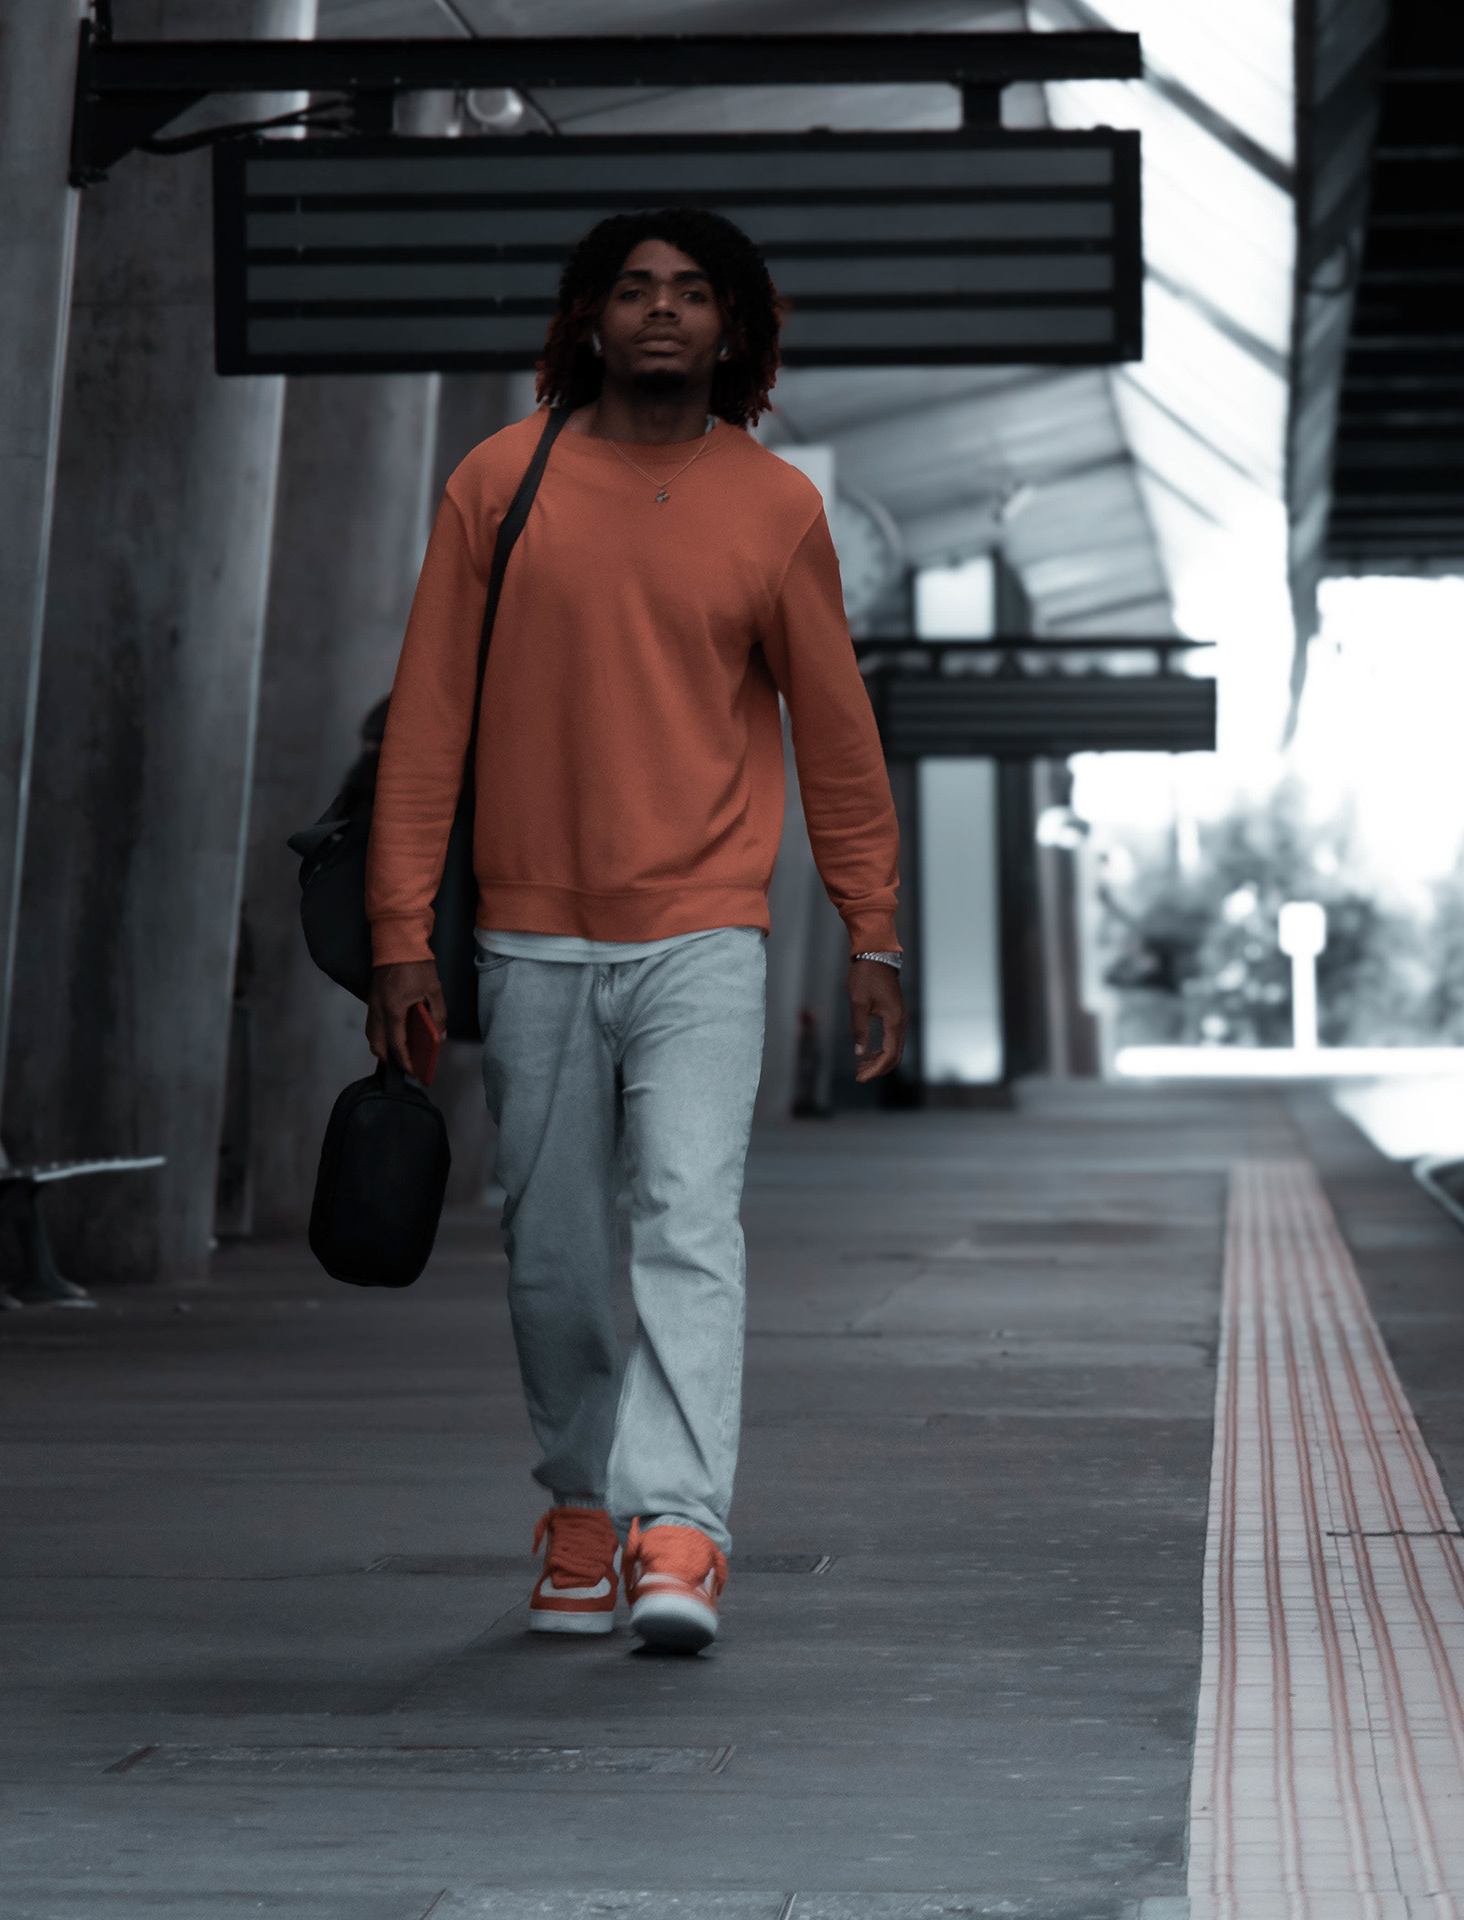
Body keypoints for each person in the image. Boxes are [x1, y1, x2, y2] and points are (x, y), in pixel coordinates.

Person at [364, 208, 904, 1654]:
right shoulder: (500, 482)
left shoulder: (775, 508)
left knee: (687, 1224)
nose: (662, 310)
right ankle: (579, 1508)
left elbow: (837, 735)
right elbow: (429, 721)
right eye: (634, 289)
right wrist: (399, 928)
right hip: (529, 937)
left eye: (693, 292)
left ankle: (680, 1529)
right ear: (589, 322)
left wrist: (872, 927)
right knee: (548, 1251)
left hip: (704, 935)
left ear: (733, 332)